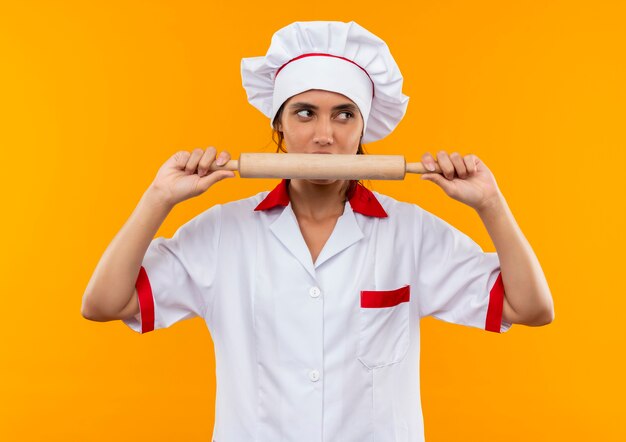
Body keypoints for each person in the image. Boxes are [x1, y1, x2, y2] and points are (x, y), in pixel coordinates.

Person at [81, 21, 554, 442]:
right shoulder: (224, 233)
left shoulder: (411, 233)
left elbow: (529, 308)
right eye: (305, 113)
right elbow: (104, 304)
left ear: (364, 128)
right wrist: (158, 198)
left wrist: (491, 205)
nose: (324, 134)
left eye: (344, 114)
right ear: (279, 125)